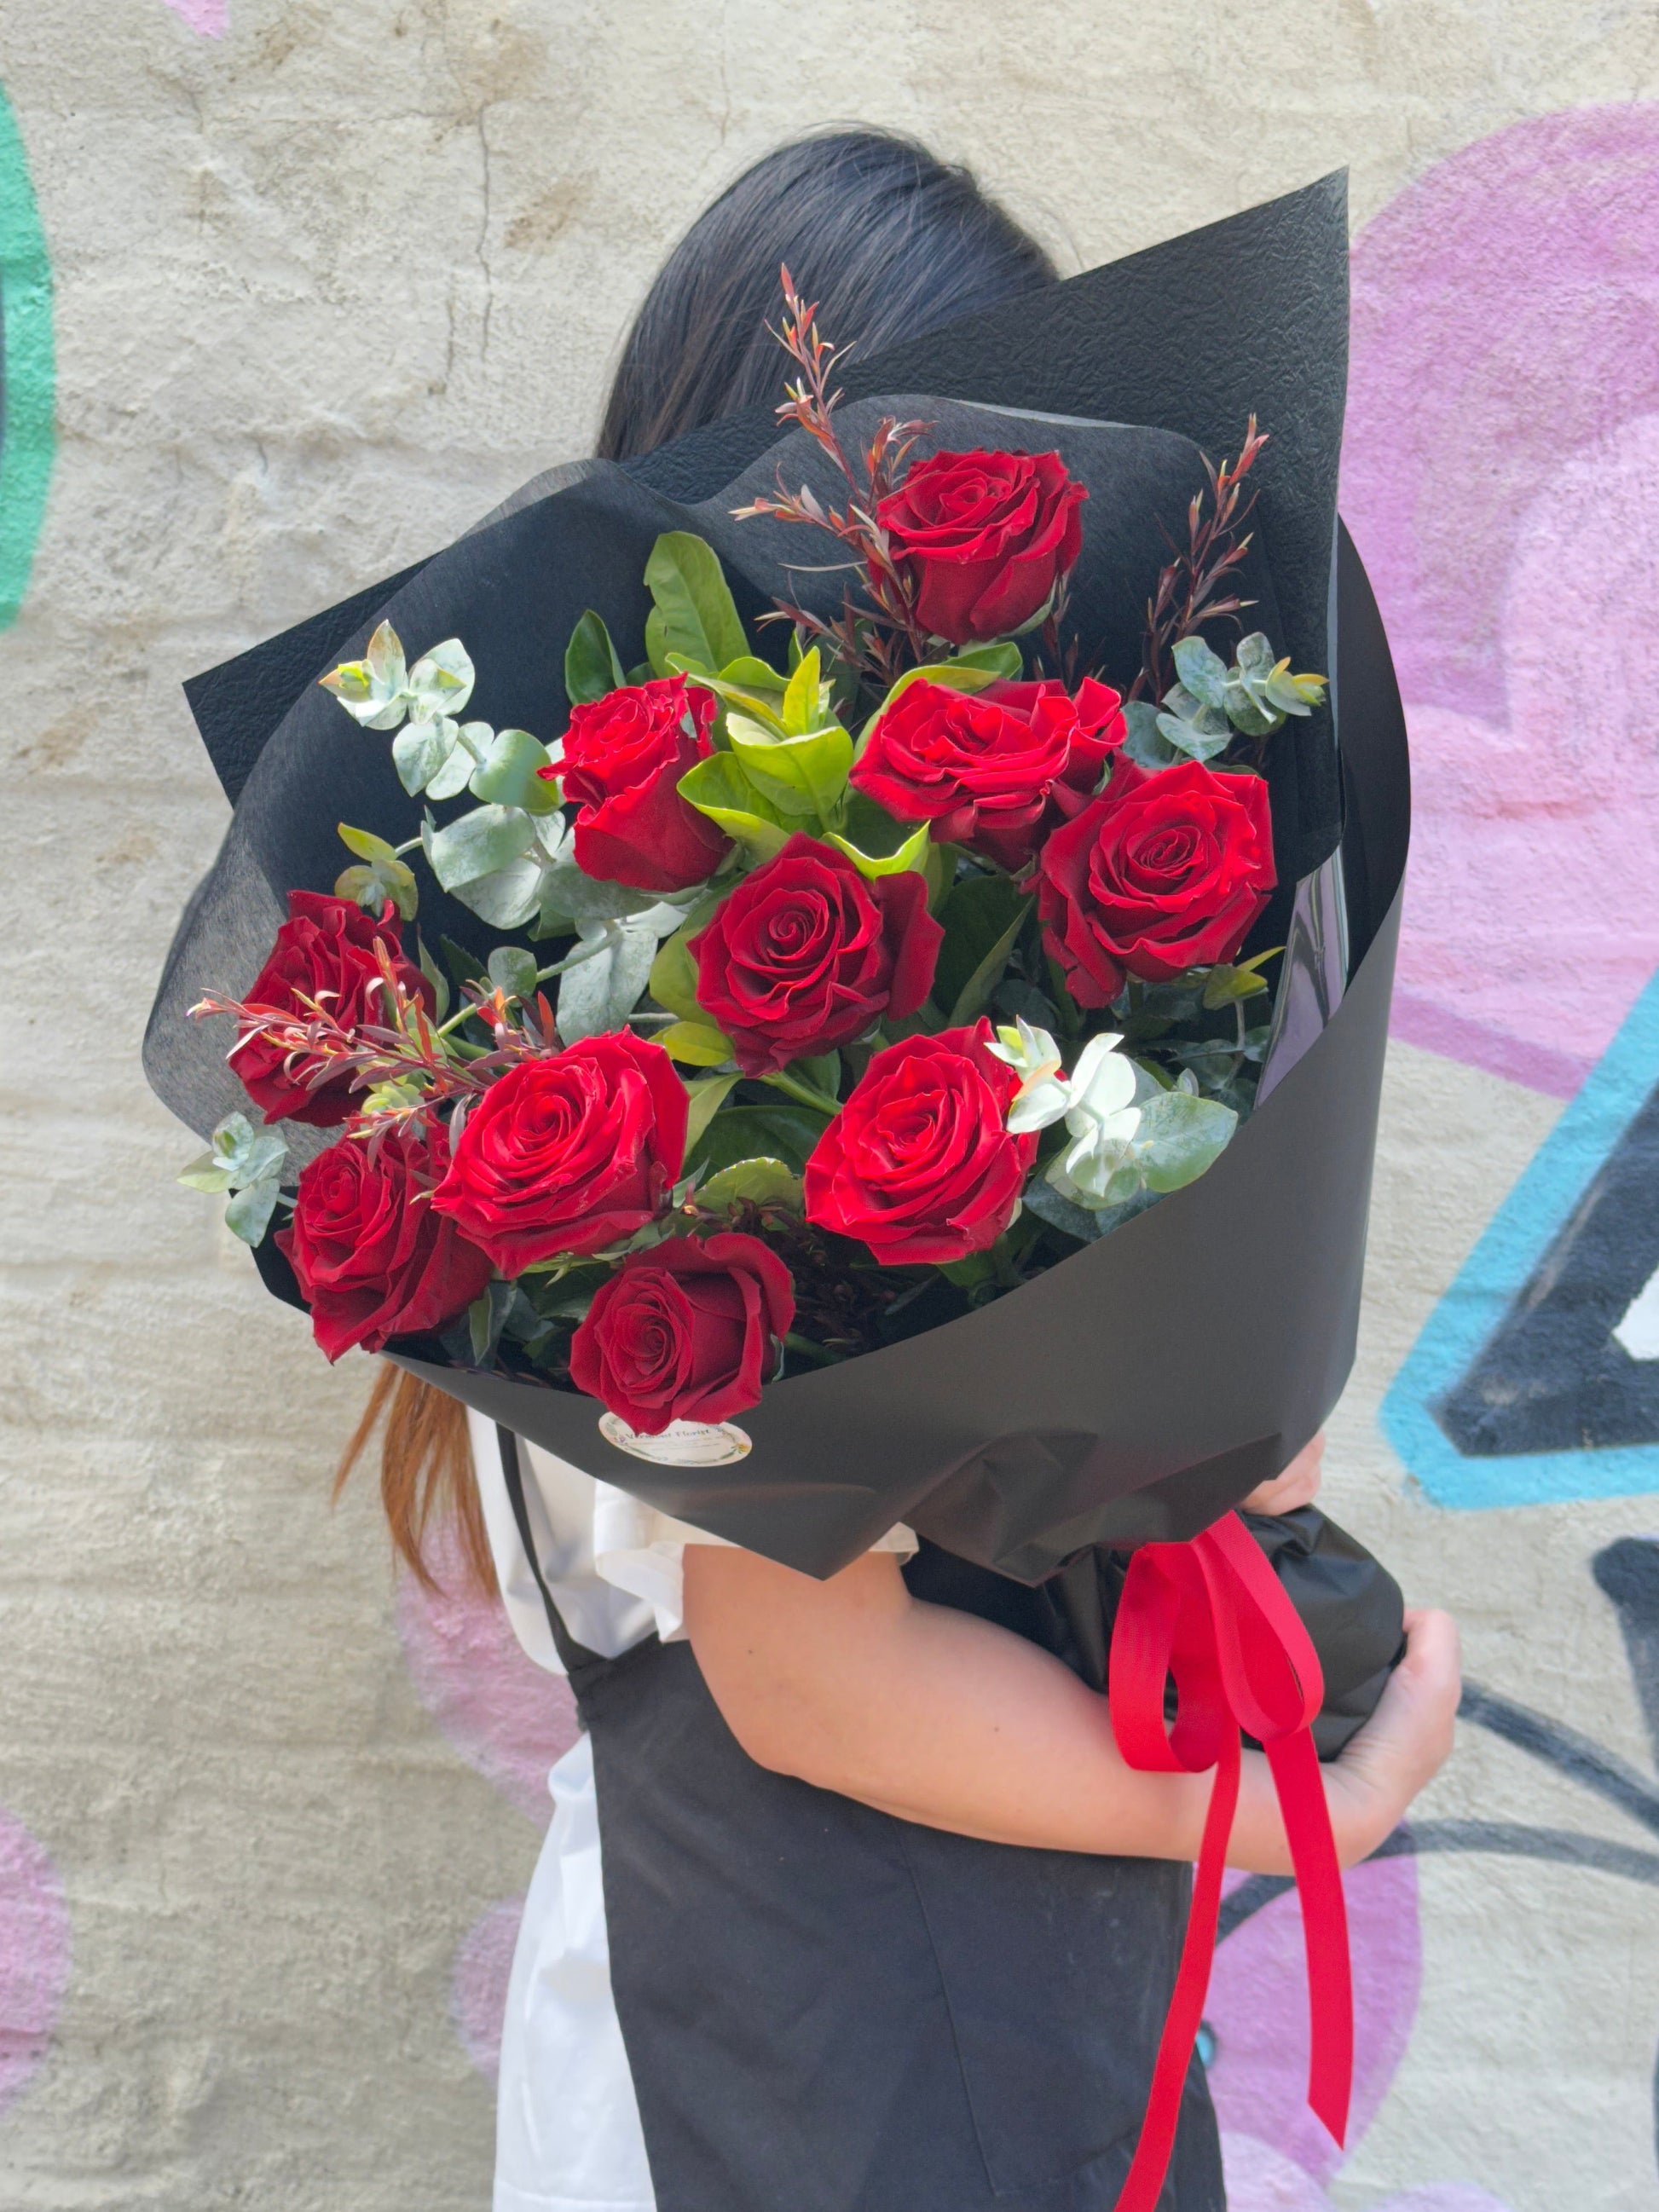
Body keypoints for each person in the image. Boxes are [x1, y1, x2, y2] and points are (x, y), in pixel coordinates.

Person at [341, 128, 1462, 2212]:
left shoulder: (636, 1031)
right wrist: (1328, 1800)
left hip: (889, 2040)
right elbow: (817, 1688)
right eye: (961, 484)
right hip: (796, 2072)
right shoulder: (655, 1100)